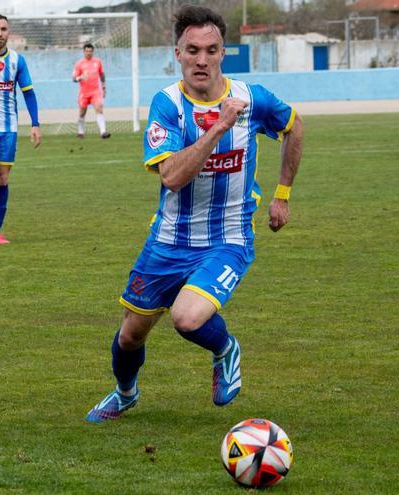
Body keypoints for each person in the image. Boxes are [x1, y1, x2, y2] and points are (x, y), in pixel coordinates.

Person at [85, 4, 304, 423]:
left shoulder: (252, 98)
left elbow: (295, 125)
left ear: (224, 53)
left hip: (228, 238)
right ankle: (125, 393)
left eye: (211, 50)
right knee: (130, 335)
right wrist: (218, 128)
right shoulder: (167, 104)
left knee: (187, 318)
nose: (201, 60)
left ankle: (225, 349)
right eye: (192, 50)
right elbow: (171, 177)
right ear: (178, 53)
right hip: (169, 239)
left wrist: (282, 194)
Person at [0, 14, 42, 245]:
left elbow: (29, 93)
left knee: (2, 179)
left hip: (9, 128)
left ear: (8, 32)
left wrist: (35, 124)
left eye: (3, 29)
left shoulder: (17, 61)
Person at [72, 43, 111, 139]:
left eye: (90, 51)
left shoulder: (98, 62)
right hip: (84, 93)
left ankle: (103, 132)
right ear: (84, 52)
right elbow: (73, 78)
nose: (88, 53)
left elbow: (102, 75)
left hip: (95, 92)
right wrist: (80, 78)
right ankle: (80, 133)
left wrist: (104, 87)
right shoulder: (79, 64)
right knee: (82, 113)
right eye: (87, 51)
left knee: (99, 109)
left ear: (93, 52)